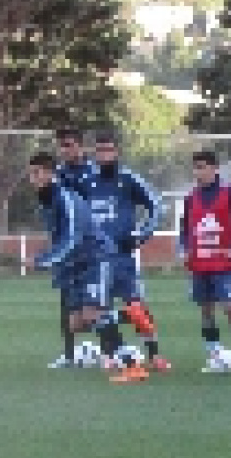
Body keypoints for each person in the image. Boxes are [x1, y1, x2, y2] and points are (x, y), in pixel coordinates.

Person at [25, 151, 146, 383]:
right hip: (76, 264)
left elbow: (72, 239)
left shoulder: (66, 199)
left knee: (93, 314)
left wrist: (42, 260)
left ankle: (132, 366)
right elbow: (59, 237)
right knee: (76, 324)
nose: (33, 178)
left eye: (37, 173)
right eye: (30, 173)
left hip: (96, 258)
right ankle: (128, 314)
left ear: (50, 173)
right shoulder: (46, 200)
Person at [84, 131, 169, 371]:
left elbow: (156, 206)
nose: (104, 155)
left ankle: (154, 355)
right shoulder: (87, 181)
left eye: (108, 150)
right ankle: (110, 355)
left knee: (137, 305)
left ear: (117, 152)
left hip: (124, 257)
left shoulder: (128, 179)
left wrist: (141, 234)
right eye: (100, 151)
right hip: (96, 258)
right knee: (98, 309)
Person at [179, 150, 231, 372]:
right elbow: (185, 228)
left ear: (214, 169)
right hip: (200, 263)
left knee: (230, 308)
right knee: (206, 310)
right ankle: (214, 356)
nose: (197, 172)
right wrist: (183, 249)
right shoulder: (191, 197)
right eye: (195, 168)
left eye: (202, 167)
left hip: (224, 263)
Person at [49, 127, 98, 368]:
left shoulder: (95, 173)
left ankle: (112, 351)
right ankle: (69, 355)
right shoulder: (57, 175)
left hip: (91, 247)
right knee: (66, 302)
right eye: (61, 146)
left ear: (80, 146)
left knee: (97, 305)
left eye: (68, 145)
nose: (64, 150)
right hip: (66, 248)